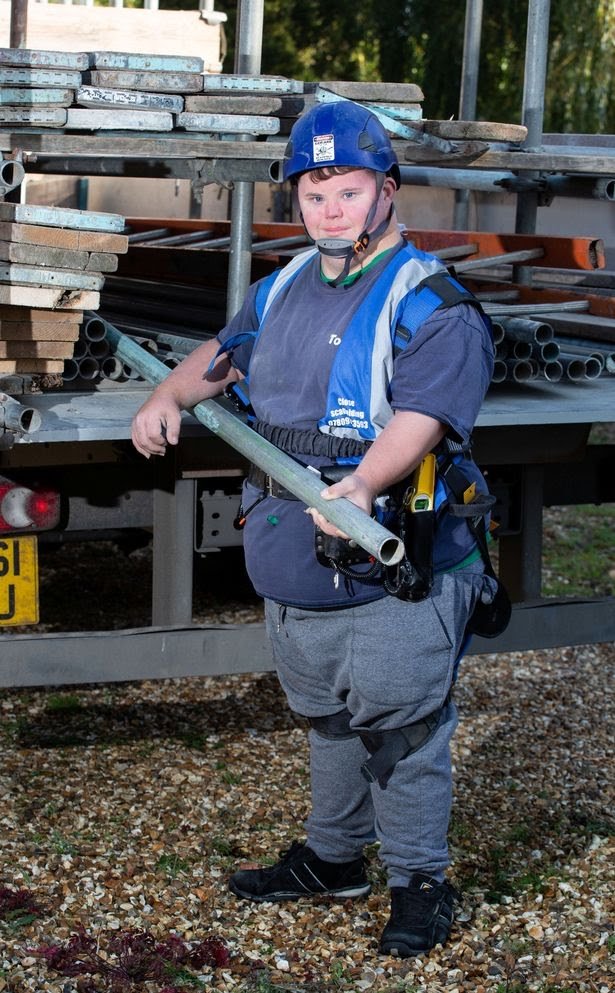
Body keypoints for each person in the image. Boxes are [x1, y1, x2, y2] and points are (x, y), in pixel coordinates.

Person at [131, 100, 498, 958]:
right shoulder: (285, 283)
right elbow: (223, 354)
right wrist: (168, 395)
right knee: (329, 718)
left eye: (347, 189)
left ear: (386, 192)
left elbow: (423, 418)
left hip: (390, 561)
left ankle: (418, 882)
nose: (328, 208)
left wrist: (363, 483)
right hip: (295, 558)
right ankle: (334, 859)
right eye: (313, 191)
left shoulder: (430, 302)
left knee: (402, 727)